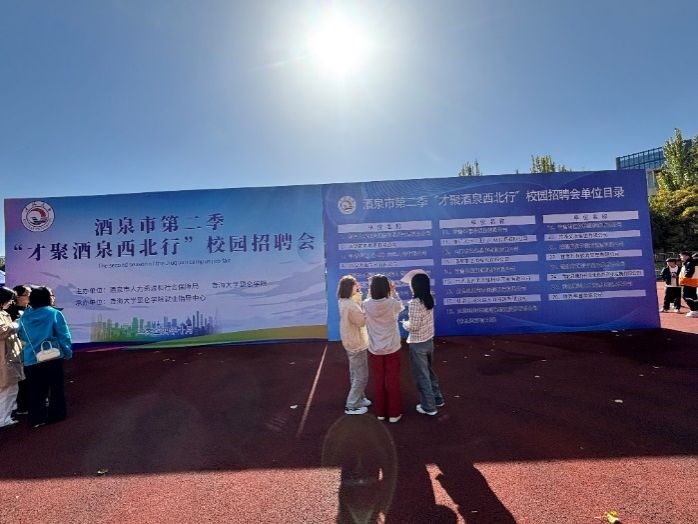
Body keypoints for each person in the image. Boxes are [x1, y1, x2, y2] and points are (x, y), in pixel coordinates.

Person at [17, 286, 73, 427]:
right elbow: (63, 335)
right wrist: (67, 352)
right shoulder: (54, 313)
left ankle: (36, 418)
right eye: (51, 295)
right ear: (47, 298)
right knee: (56, 388)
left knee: (35, 390)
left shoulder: (25, 316)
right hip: (53, 356)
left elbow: (21, 335)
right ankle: (56, 415)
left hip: (31, 357)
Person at [401, 272, 444, 417]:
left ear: (415, 286)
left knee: (422, 376)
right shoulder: (429, 298)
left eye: (411, 284)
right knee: (429, 371)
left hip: (418, 343)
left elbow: (414, 326)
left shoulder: (414, 303)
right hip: (428, 341)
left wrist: (405, 324)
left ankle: (429, 407)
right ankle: (437, 399)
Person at [363, 275, 404, 423]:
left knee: (378, 381)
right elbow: (401, 307)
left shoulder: (366, 304)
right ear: (387, 287)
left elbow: (368, 303)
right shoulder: (392, 303)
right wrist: (393, 292)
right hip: (392, 348)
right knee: (392, 381)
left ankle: (380, 413)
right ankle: (394, 414)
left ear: (372, 288)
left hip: (375, 349)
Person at [337, 275, 371, 415]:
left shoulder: (343, 301)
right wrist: (367, 311)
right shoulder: (351, 305)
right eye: (355, 285)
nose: (357, 287)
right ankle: (352, 405)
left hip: (350, 341)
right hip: (356, 342)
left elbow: (356, 304)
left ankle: (359, 398)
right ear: (349, 287)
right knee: (361, 376)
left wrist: (358, 296)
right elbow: (361, 322)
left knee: (355, 373)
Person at [0, 287, 25, 428]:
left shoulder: (4, 313)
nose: (11, 302)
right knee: (9, 388)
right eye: (9, 300)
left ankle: (5, 416)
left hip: (8, 355)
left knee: (8, 388)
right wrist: (16, 324)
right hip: (4, 357)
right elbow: (2, 331)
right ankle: (3, 419)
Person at [7, 284, 32, 415]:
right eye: (27, 294)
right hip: (17, 349)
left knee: (30, 376)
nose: (29, 296)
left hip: (31, 347)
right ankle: (22, 406)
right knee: (21, 378)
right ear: (17, 296)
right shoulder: (10, 312)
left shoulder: (31, 309)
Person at [678, 251, 698, 318]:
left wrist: (685, 278)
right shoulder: (692, 262)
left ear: (686, 256)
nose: (680, 257)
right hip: (693, 282)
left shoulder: (689, 263)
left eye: (681, 256)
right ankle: (696, 309)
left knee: (685, 296)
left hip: (688, 282)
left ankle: (693, 310)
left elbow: (690, 272)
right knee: (693, 296)